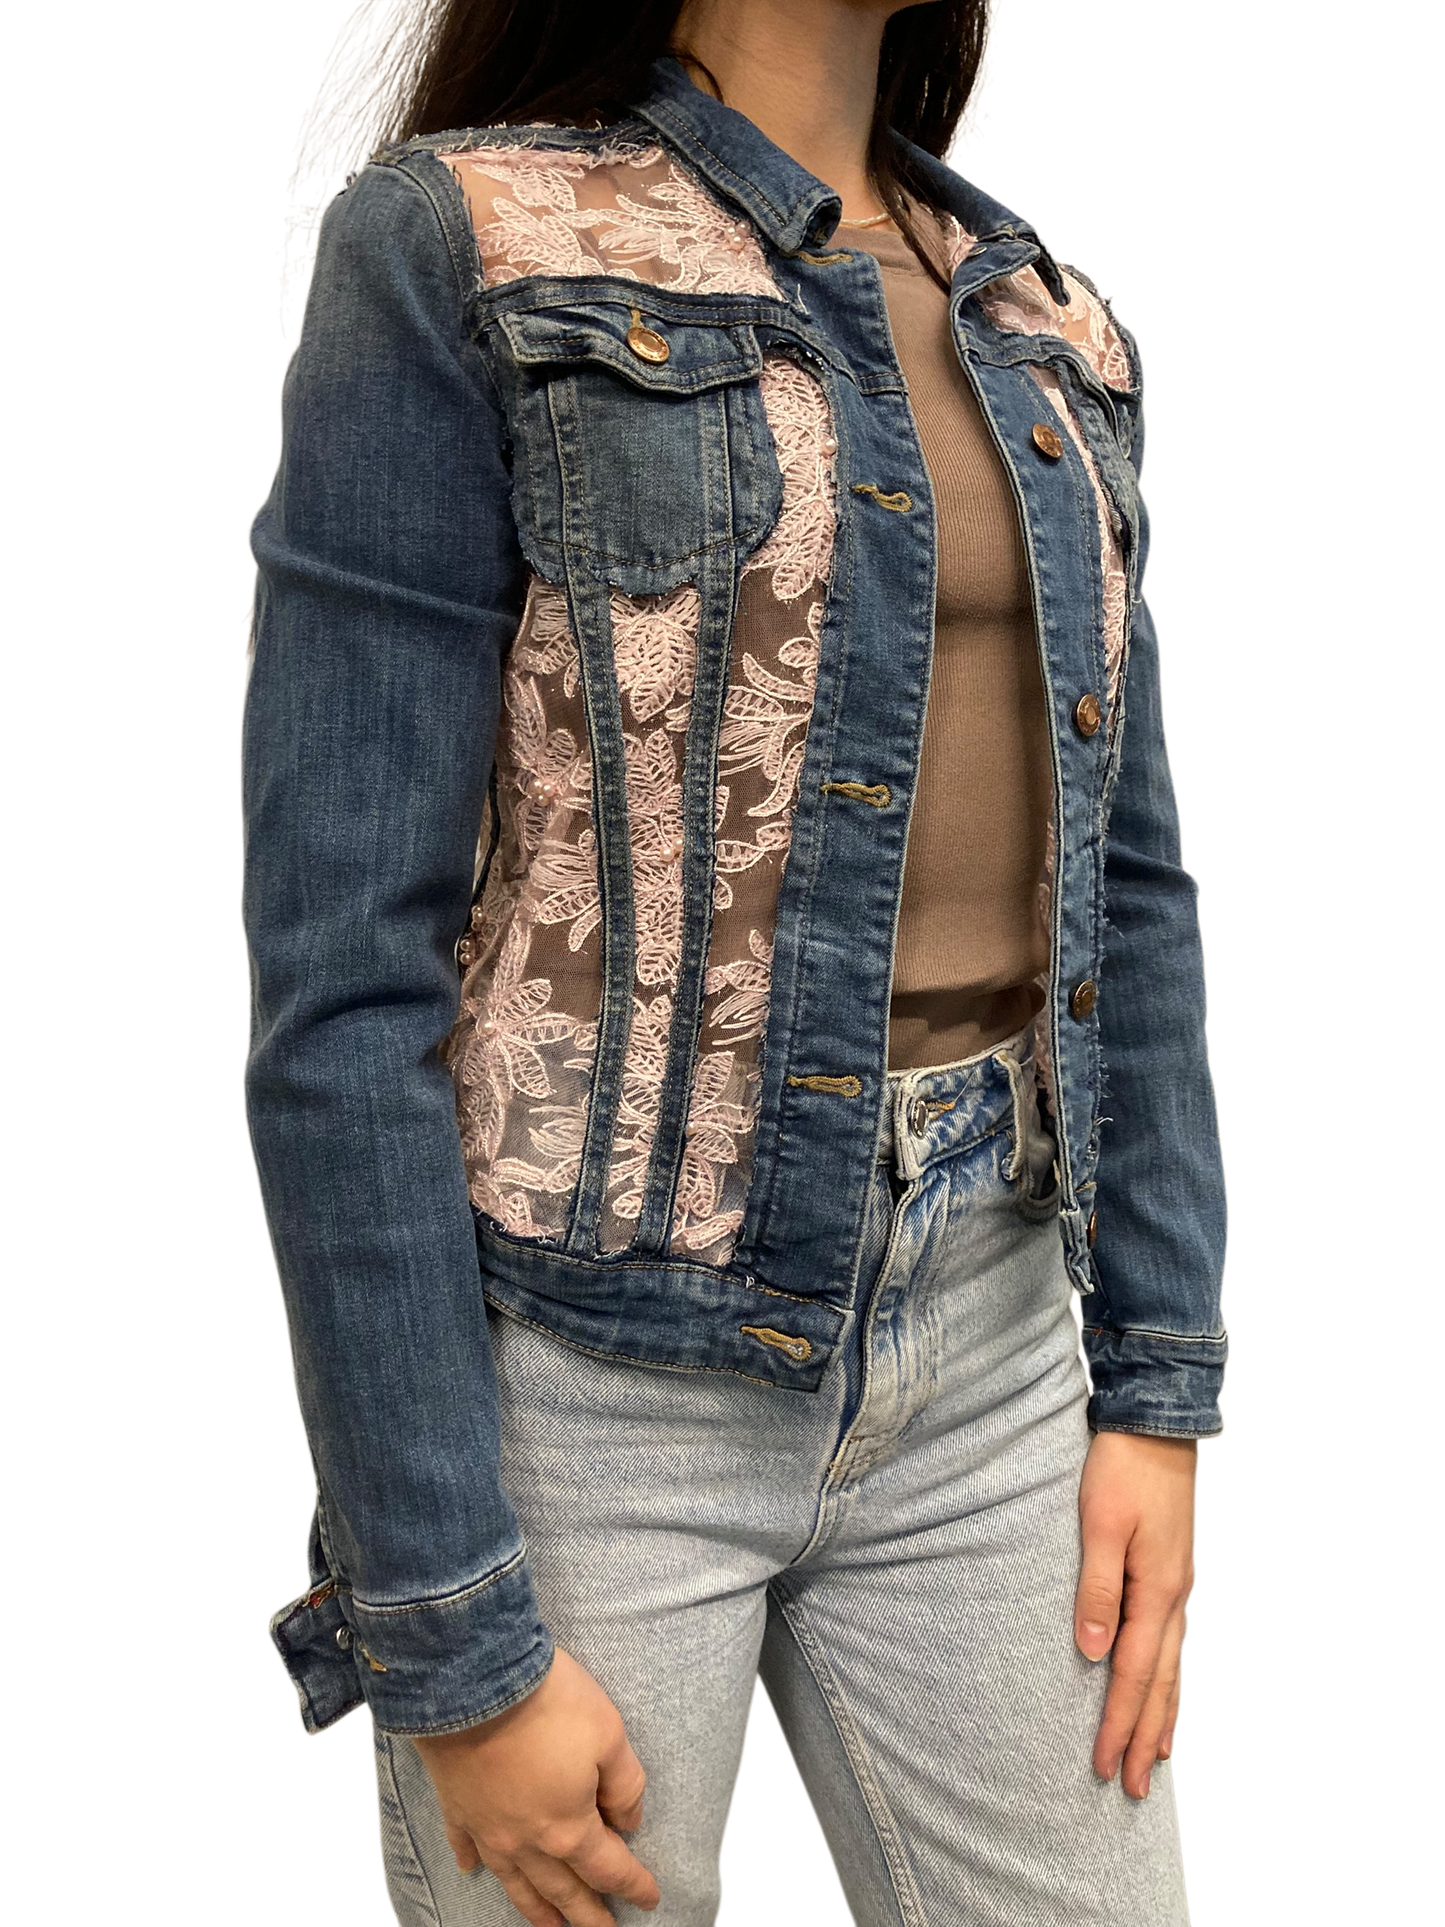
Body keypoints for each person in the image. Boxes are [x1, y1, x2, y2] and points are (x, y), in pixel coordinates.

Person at [239, 2, 1231, 1922]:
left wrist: (1158, 1390)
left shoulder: (1046, 313)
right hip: (591, 1378)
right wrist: (449, 1617)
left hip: (1000, 1338)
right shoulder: (466, 245)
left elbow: (1132, 885)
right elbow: (342, 982)